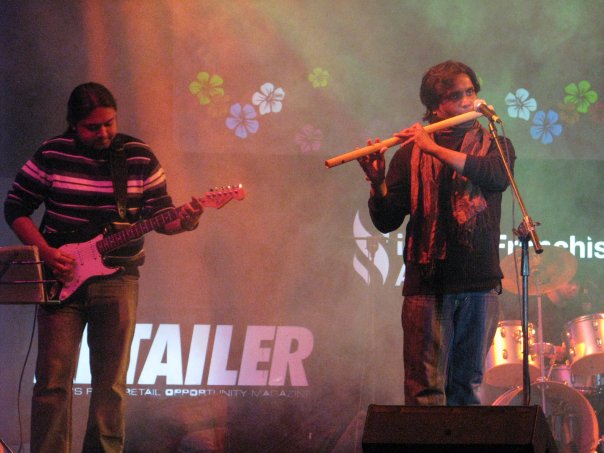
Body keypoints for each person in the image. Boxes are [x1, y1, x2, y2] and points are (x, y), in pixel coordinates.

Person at [3, 82, 203, 452]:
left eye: (109, 123)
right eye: (93, 127)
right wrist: (47, 252)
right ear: (73, 125)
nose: (104, 132)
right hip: (58, 277)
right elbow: (15, 208)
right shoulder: (52, 153)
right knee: (51, 381)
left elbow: (163, 217)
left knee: (111, 383)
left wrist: (187, 219)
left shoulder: (138, 156)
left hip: (119, 279)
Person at [357, 60, 515, 406]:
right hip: (426, 285)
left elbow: (495, 178)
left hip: (478, 283)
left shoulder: (496, 145)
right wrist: (378, 183)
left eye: (470, 92)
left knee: (468, 387)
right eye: (455, 96)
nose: (466, 101)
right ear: (435, 107)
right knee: (423, 390)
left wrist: (434, 149)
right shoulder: (410, 152)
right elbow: (386, 221)